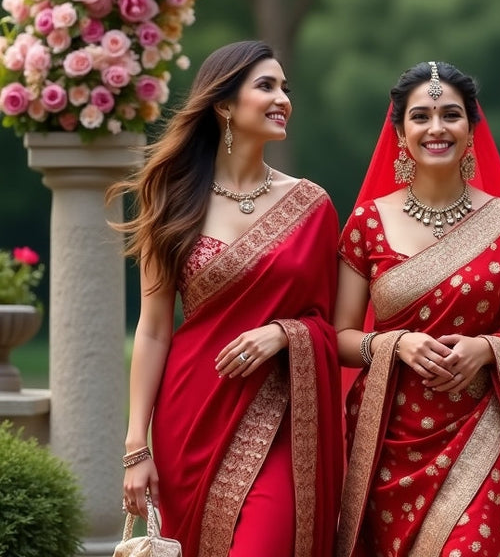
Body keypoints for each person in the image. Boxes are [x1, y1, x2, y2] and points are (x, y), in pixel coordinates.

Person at [334, 61, 500, 557]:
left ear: (471, 129)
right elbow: (338, 337)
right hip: (389, 441)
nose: (436, 128)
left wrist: (488, 350)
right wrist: (394, 343)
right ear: (401, 132)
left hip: (486, 431)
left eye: (450, 115)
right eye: (421, 116)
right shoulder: (367, 224)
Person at [112, 40, 344, 557]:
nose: (282, 97)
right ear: (223, 104)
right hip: (189, 414)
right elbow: (153, 328)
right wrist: (136, 445)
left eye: (285, 87)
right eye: (266, 86)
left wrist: (283, 333)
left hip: (281, 415)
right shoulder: (172, 197)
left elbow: (332, 326)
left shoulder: (313, 206)